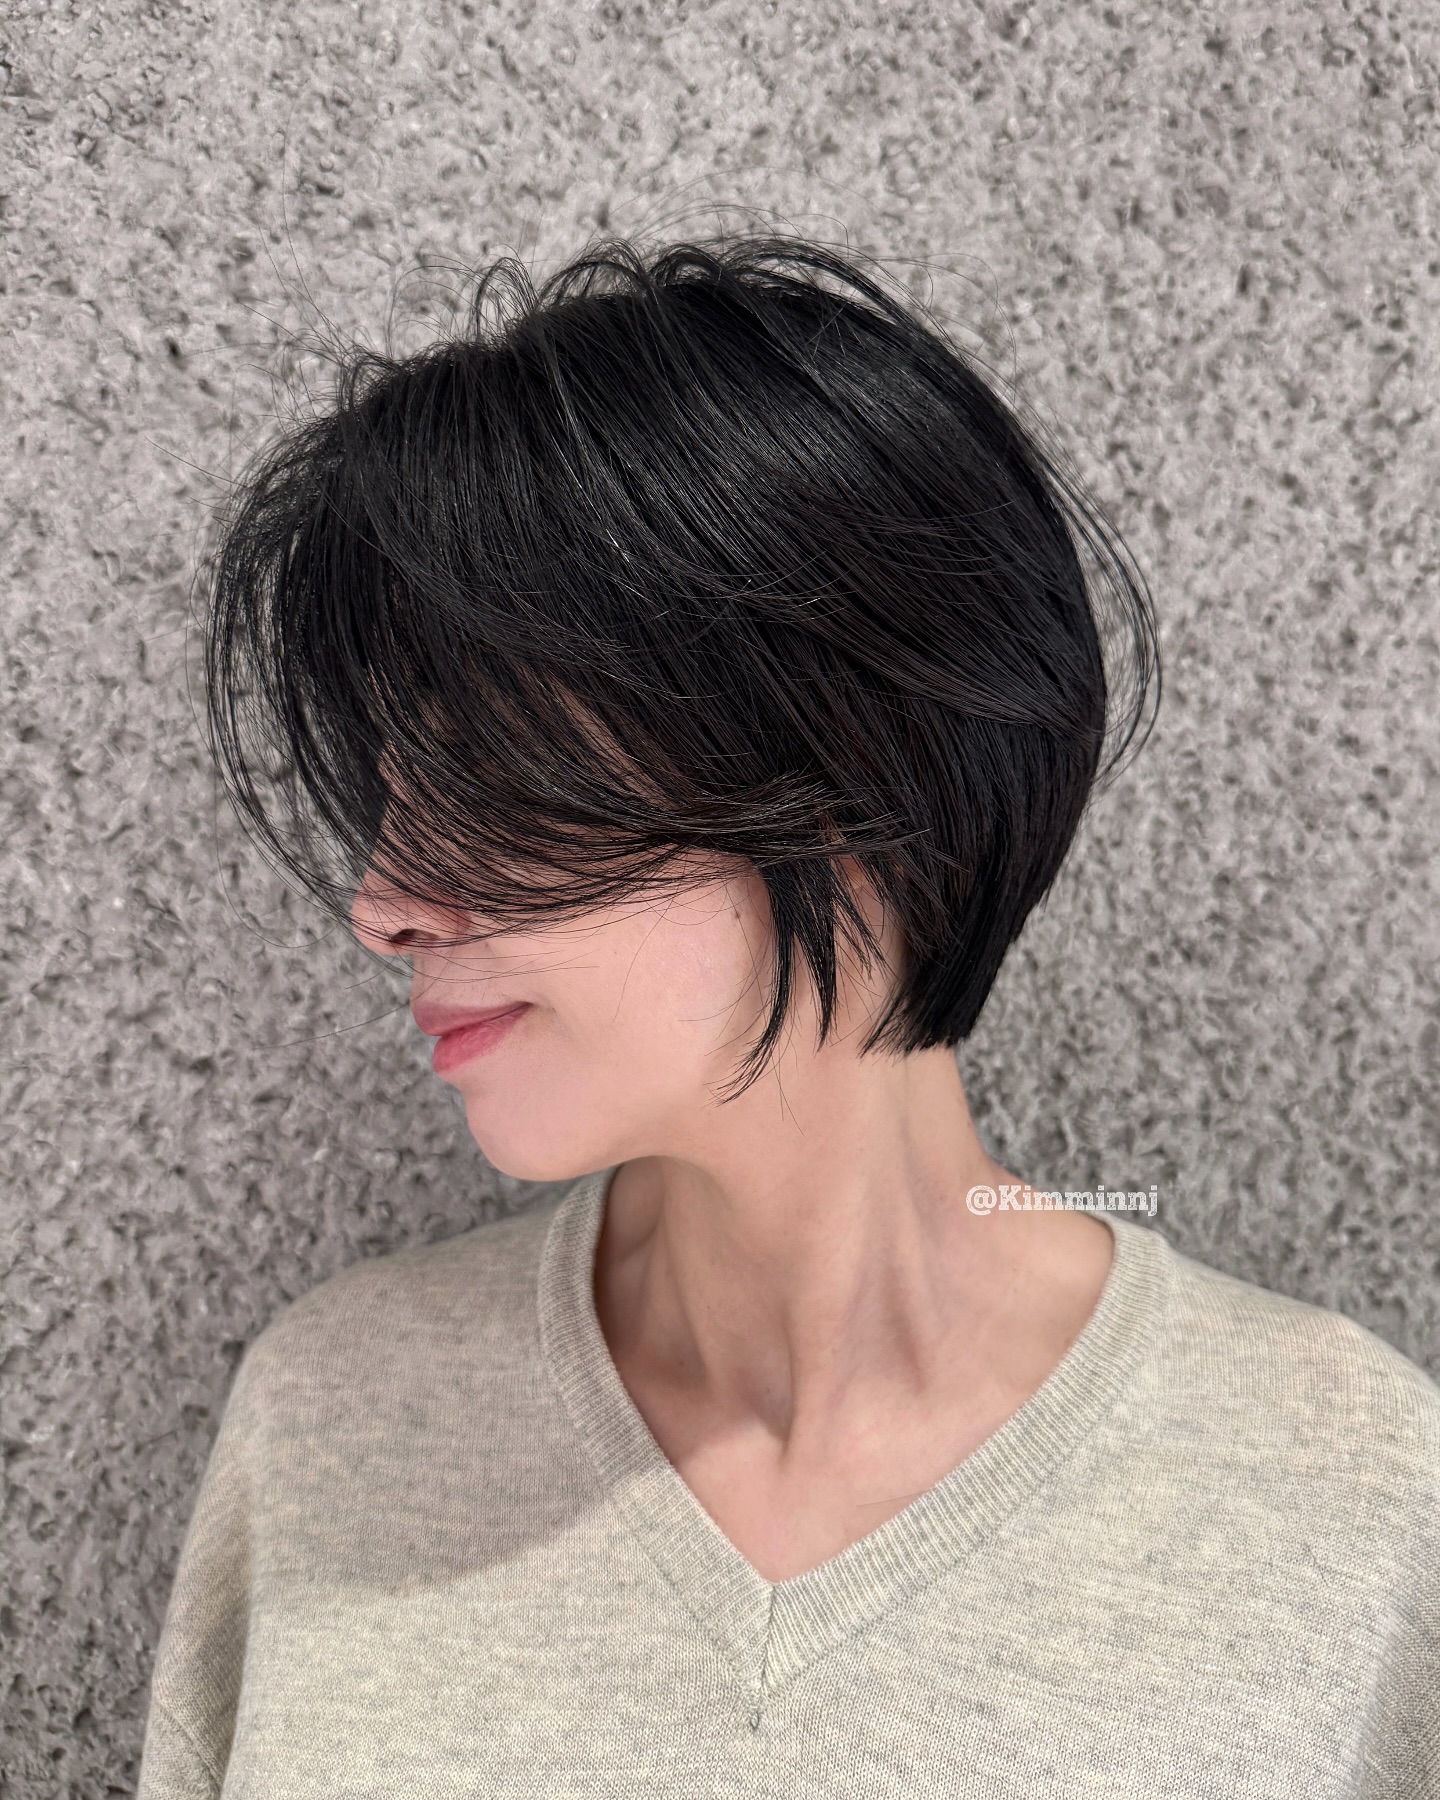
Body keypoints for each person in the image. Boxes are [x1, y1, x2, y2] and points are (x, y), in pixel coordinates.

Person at [137, 234, 1439, 1799]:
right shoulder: (336, 1420)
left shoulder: (1348, 1493)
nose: (384, 902)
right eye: (393, 792)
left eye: (488, 778)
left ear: (856, 775)